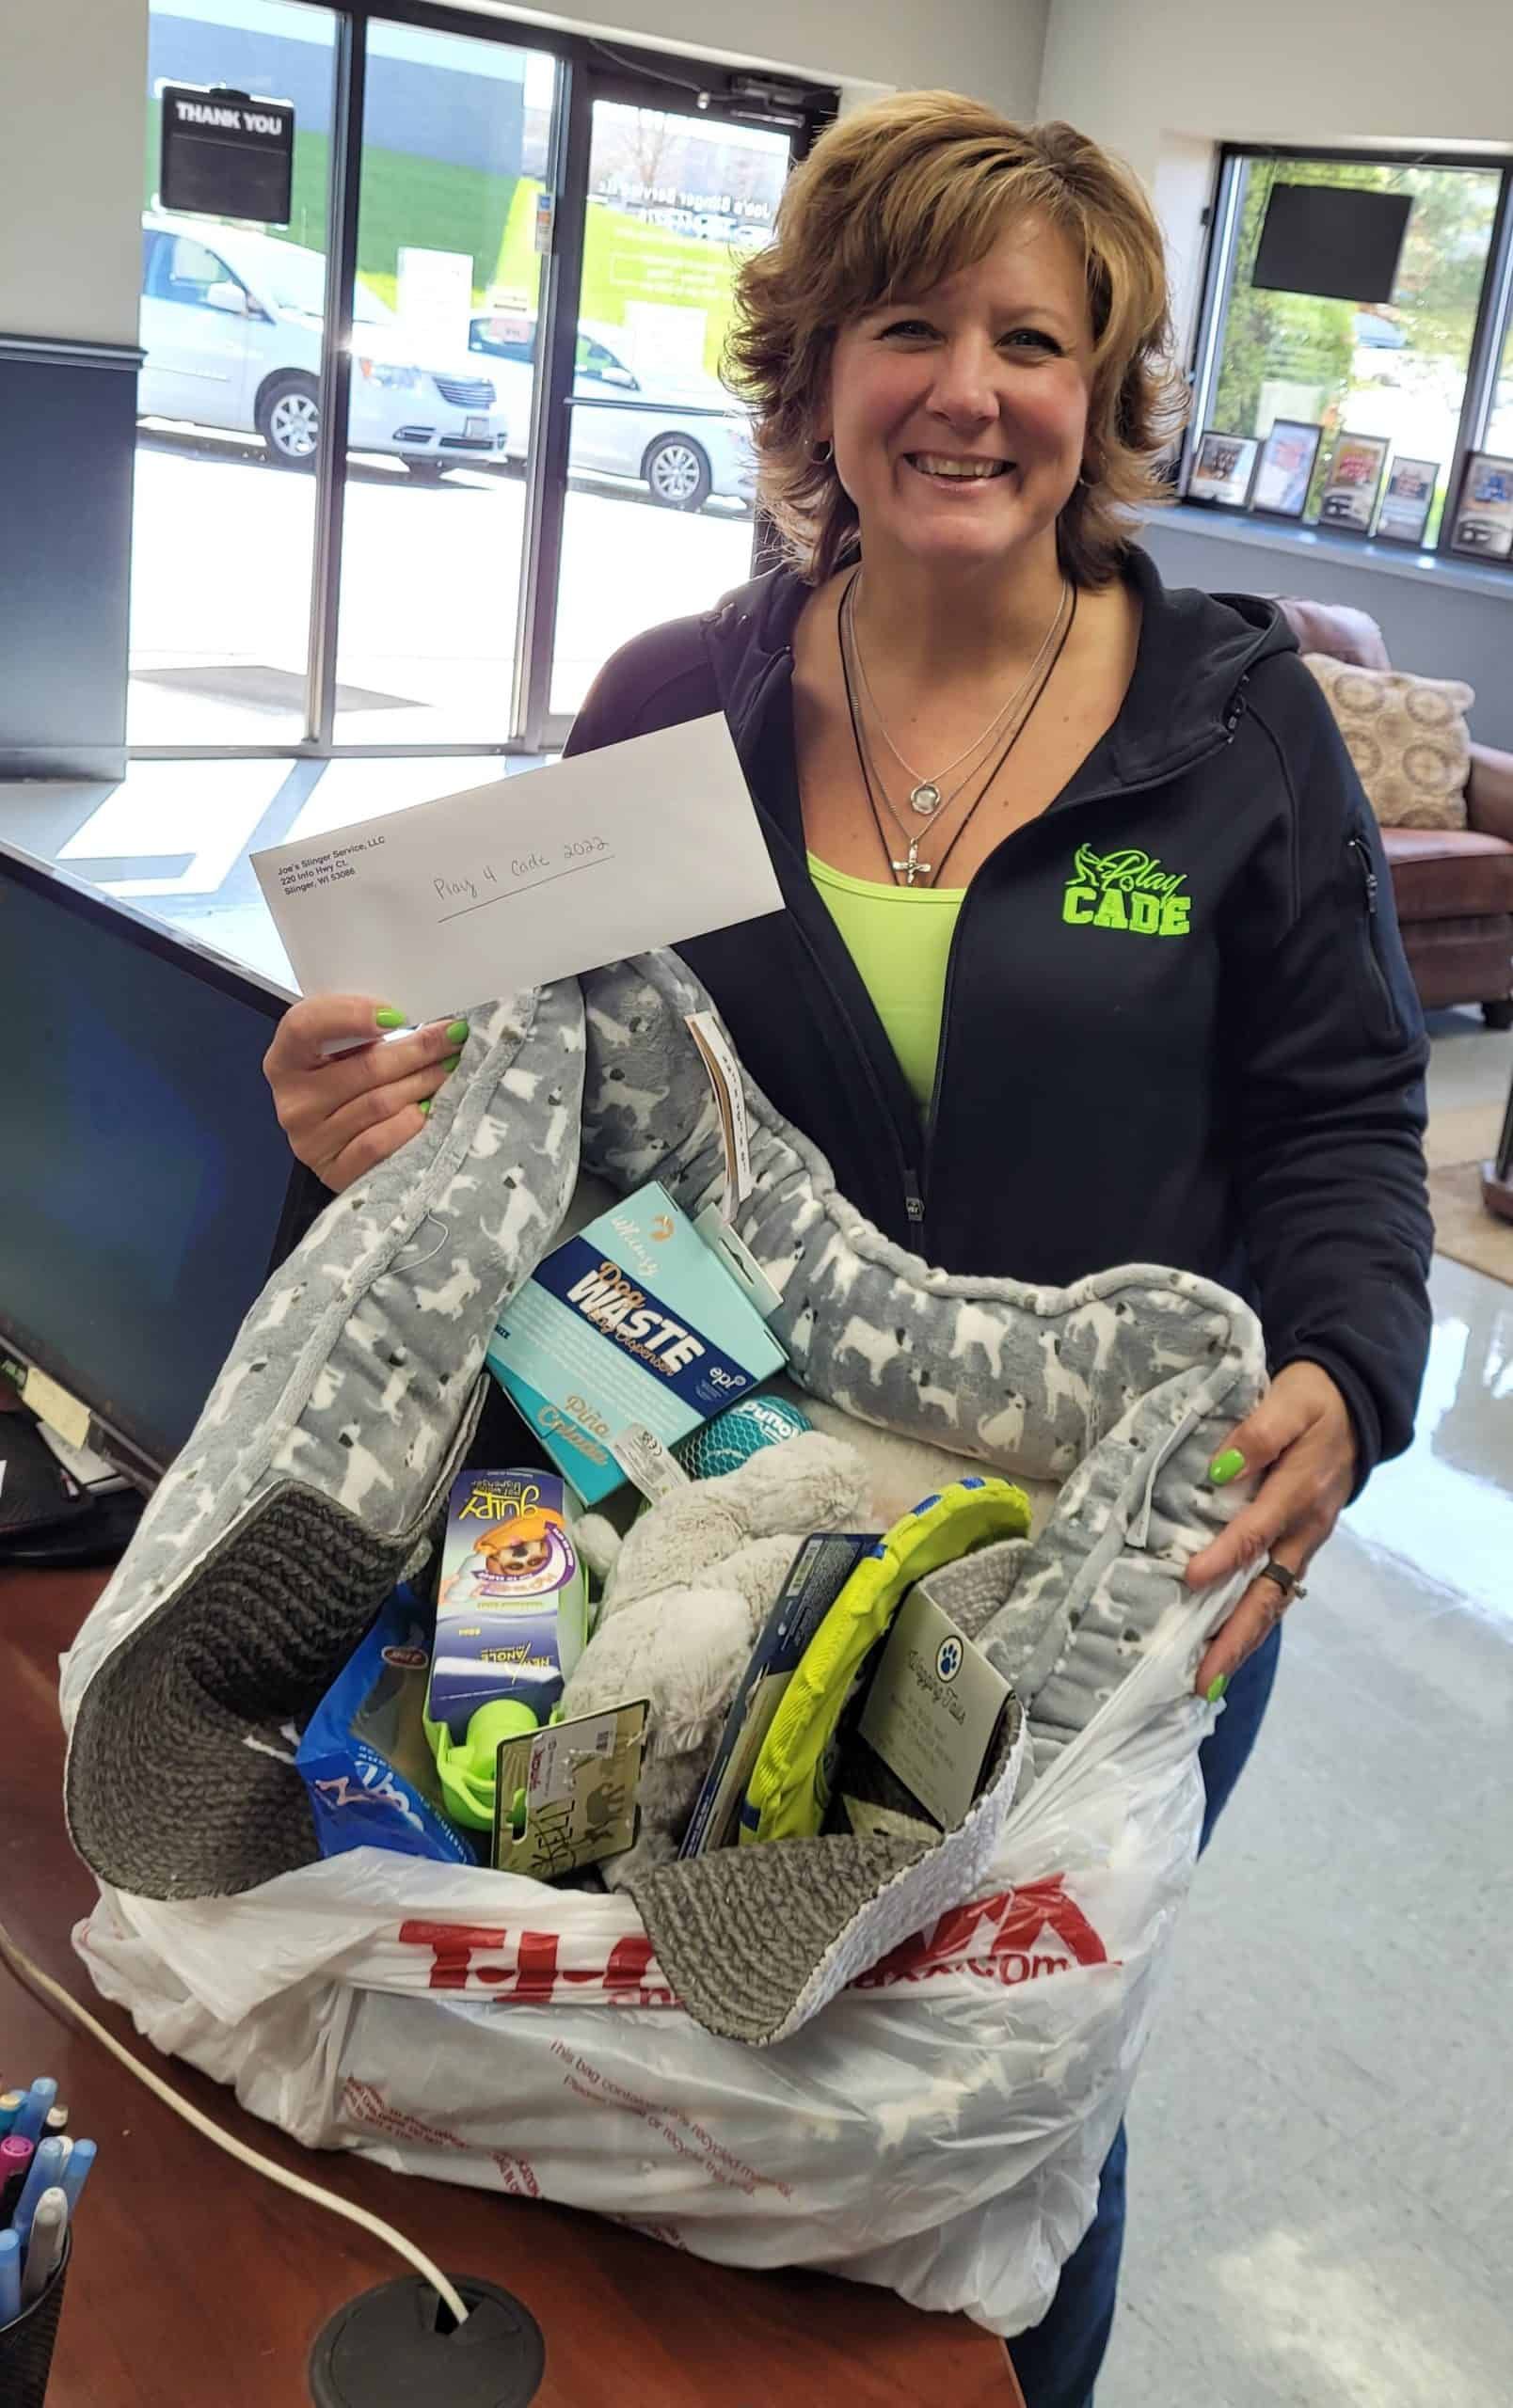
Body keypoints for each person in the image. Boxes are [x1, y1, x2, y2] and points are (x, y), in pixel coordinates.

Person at [263, 93, 1433, 2407]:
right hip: (705, 1527)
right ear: (813, 369)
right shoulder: (665, 712)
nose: (970, 389)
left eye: (1034, 338)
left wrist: (1357, 1368)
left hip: (1114, 1567)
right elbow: (517, 1106)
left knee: (1003, 2104)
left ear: (1099, 399)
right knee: (705, 2065)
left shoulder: (1236, 731)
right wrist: (341, 1124)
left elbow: (1342, 1117)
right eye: (909, 323)